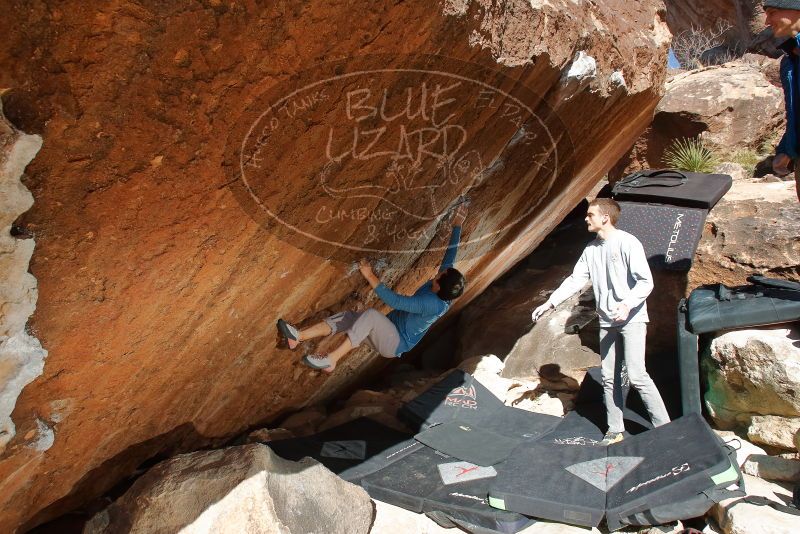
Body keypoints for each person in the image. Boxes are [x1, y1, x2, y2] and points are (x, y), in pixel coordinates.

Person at [531, 198, 670, 445]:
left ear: (605, 217)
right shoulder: (591, 250)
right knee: (608, 377)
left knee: (637, 375)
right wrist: (550, 303)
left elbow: (645, 281)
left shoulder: (628, 243)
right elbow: (575, 280)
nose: (586, 218)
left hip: (632, 319)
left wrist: (627, 304)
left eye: (590, 214)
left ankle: (666, 429)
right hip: (607, 321)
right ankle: (615, 429)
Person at [277, 204, 467, 373]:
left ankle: (331, 360)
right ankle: (298, 336)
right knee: (351, 318)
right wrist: (457, 224)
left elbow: (396, 301)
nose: (439, 273)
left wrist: (369, 275)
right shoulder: (443, 288)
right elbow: (450, 257)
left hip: (393, 343)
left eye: (440, 276)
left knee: (371, 316)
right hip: (388, 330)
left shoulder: (431, 304)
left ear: (440, 286)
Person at [765, 0, 800, 201]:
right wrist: (787, 149)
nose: (767, 21)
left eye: (772, 13)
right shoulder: (790, 59)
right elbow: (795, 112)